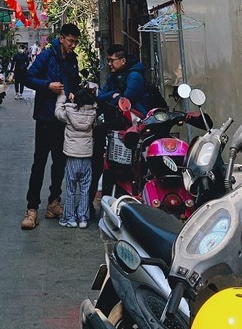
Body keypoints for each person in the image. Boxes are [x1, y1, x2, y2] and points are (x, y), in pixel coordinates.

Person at [20, 23, 81, 230]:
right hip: (46, 117)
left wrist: (73, 92)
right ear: (62, 38)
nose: (73, 45)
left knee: (60, 162)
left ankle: (54, 202)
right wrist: (48, 85)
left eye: (76, 42)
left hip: (63, 119)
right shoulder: (46, 56)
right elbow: (28, 78)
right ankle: (32, 209)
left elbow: (75, 81)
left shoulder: (72, 60)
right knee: (39, 162)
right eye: (71, 41)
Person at [89, 44, 150, 219]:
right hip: (116, 124)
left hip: (133, 125)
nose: (109, 64)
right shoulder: (115, 76)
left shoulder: (134, 77)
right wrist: (113, 95)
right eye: (108, 60)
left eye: (112, 60)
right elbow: (102, 97)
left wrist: (114, 96)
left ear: (123, 61)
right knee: (106, 164)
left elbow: (126, 100)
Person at [54, 87, 97, 229]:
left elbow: (57, 112)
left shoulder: (69, 112)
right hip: (86, 157)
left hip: (72, 157)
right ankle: (83, 218)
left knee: (71, 189)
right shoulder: (93, 113)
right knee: (85, 189)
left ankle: (70, 218)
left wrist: (62, 97)